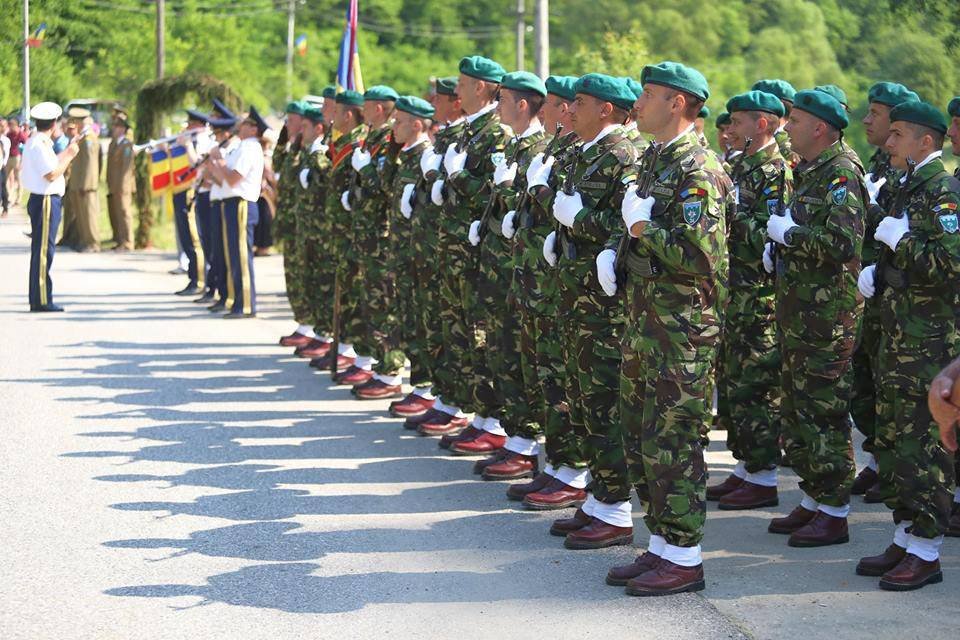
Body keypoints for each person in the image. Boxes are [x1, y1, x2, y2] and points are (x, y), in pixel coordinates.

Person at [601, 62, 730, 596]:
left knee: (673, 440)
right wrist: (619, 244)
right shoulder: (657, 161)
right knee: (642, 437)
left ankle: (684, 556)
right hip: (647, 324)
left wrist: (641, 228)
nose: (639, 104)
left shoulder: (698, 169)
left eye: (649, 95)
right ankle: (661, 546)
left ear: (678, 103)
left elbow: (702, 255)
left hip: (682, 332)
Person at [854, 100, 959, 590]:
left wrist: (904, 243)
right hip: (897, 338)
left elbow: (949, 267)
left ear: (926, 142)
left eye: (898, 135)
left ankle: (927, 549)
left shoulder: (943, 193)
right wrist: (880, 268)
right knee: (895, 440)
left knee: (925, 447)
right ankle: (905, 532)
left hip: (930, 343)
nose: (888, 143)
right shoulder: (905, 186)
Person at [765, 89, 864, 547]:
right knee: (798, 409)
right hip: (800, 311)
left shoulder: (841, 173)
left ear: (820, 128)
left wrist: (791, 234)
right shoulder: (810, 171)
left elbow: (842, 243)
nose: (788, 128)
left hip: (828, 317)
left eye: (796, 121)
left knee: (823, 412)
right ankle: (815, 496)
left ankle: (835, 509)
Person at [707, 90, 792, 510]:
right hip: (734, 293)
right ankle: (745, 468)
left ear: (762, 124)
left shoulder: (776, 171)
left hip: (759, 297)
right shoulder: (738, 164)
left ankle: (763, 476)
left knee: (758, 386)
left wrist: (732, 215)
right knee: (737, 384)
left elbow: (773, 233)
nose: (730, 128)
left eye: (738, 121)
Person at [850, 82, 920, 501]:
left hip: (898, 293)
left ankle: (889, 466)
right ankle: (878, 459)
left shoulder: (913, 173)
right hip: (875, 287)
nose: (868, 121)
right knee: (869, 378)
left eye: (877, 113)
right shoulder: (878, 163)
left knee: (888, 383)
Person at [338, 85, 402, 392]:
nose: (361, 111)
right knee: (369, 301)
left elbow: (386, 187)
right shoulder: (372, 136)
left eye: (366, 105)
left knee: (383, 303)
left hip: (381, 235)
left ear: (378, 109)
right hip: (366, 232)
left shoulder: (389, 138)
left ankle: (389, 371)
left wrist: (366, 174)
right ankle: (374, 364)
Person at [207, 107, 267, 318]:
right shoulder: (241, 147)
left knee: (241, 256)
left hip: (242, 203)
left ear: (253, 129)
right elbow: (222, 179)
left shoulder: (250, 148)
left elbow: (233, 179)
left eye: (244, 124)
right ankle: (235, 301)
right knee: (232, 255)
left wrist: (220, 162)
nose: (239, 127)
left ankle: (246, 304)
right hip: (231, 202)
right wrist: (214, 162)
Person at [21, 102, 80, 312]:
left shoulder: (39, 141)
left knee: (41, 250)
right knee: (45, 251)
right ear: (54, 124)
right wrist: (71, 155)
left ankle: (38, 297)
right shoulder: (39, 143)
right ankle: (42, 299)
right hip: (45, 199)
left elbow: (52, 162)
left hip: (43, 199)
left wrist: (67, 150)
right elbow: (52, 173)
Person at [202, 116, 240, 312]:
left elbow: (229, 180)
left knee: (227, 254)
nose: (216, 138)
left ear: (226, 133)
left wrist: (216, 163)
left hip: (228, 202)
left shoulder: (232, 151)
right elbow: (217, 182)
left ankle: (228, 296)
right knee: (217, 251)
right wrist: (209, 168)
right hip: (217, 200)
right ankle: (222, 294)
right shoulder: (226, 151)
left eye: (218, 134)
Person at [171, 110, 211, 295]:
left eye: (191, 124)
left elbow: (197, 166)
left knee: (194, 238)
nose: (188, 127)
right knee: (185, 236)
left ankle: (199, 279)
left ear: (199, 125)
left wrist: (187, 146)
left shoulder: (203, 140)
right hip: (182, 190)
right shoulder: (192, 139)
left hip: (193, 192)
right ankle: (193, 277)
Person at [63, 110, 101, 253]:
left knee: (89, 215)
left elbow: (90, 163)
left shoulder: (90, 138)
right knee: (82, 215)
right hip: (78, 182)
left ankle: (93, 243)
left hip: (86, 184)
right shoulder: (83, 137)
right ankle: (85, 241)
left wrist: (86, 184)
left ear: (79, 122)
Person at [106, 117, 137, 251]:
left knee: (125, 213)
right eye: (114, 126)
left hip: (123, 187)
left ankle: (128, 242)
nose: (114, 129)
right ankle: (120, 240)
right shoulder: (115, 143)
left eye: (117, 127)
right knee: (118, 213)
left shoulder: (126, 145)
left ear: (123, 129)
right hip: (115, 185)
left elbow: (126, 169)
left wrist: (122, 187)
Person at [6, 117, 29, 204]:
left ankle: (18, 199)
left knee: (18, 178)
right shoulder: (9, 134)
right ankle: (8, 197)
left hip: (17, 158)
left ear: (16, 125)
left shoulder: (21, 135)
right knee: (6, 178)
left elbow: (27, 147)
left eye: (11, 125)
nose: (10, 127)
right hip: (8, 158)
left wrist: (22, 160)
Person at [0, 118, 10, 217]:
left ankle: (5, 208)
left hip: (2, 167)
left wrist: (3, 164)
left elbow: (5, 155)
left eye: (3, 125)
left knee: (3, 188)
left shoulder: (5, 140)